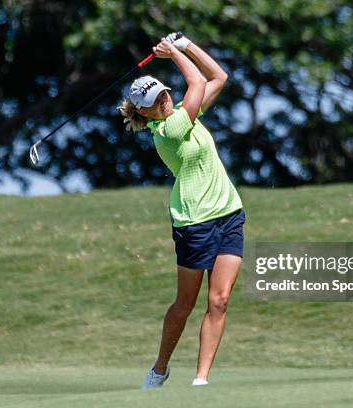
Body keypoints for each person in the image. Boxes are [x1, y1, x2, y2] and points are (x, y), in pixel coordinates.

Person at [118, 33, 245, 389]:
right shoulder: (167, 130)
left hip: (228, 214)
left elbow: (218, 78)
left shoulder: (186, 113)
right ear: (143, 111)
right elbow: (196, 81)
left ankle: (201, 379)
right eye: (155, 101)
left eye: (164, 93)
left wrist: (188, 44)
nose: (163, 100)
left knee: (219, 301)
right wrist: (173, 52)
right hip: (194, 223)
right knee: (184, 305)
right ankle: (160, 368)